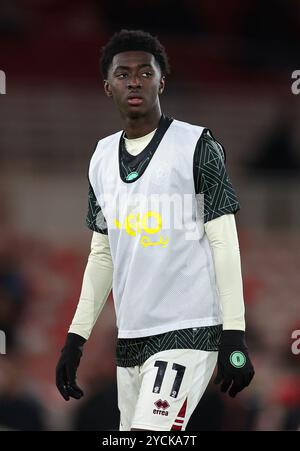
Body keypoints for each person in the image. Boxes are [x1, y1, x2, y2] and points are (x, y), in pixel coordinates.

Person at [56, 29, 254, 431]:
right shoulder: (100, 158)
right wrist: (76, 338)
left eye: (145, 73)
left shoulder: (197, 145)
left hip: (189, 329)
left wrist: (234, 333)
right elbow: (102, 253)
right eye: (123, 74)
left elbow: (223, 240)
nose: (134, 81)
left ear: (161, 81)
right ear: (106, 86)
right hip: (131, 337)